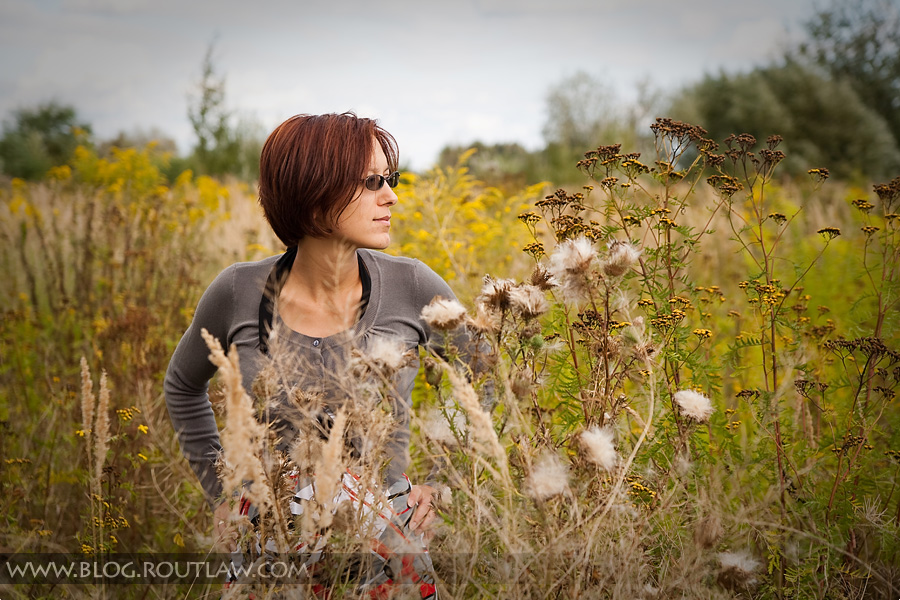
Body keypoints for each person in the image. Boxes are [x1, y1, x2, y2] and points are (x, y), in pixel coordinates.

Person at [164, 112, 472, 596]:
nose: (391, 196)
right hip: (270, 542)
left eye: (389, 179)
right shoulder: (238, 290)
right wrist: (222, 493)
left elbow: (485, 373)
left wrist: (438, 485)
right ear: (313, 191)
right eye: (372, 182)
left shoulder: (412, 285)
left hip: (389, 546)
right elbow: (182, 385)